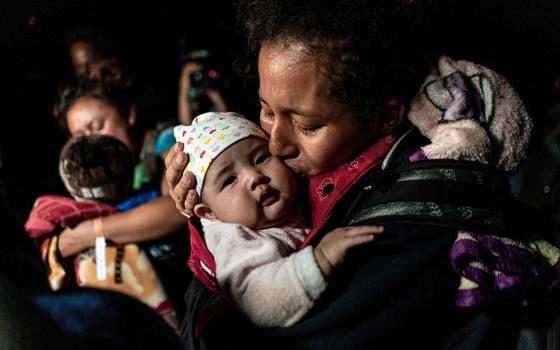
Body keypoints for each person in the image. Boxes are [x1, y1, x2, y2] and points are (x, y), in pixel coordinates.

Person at [164, 1, 560, 349]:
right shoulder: (303, 168)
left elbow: (249, 335)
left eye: (308, 125)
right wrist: (211, 214)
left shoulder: (416, 217)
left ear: (383, 117)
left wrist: (215, 250)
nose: (275, 144)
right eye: (267, 110)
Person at [174, 112, 383, 327]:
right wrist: (321, 259)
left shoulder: (294, 201)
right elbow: (256, 301)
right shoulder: (235, 241)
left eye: (261, 158)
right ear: (209, 213)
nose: (254, 177)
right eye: (230, 180)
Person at [53, 79, 190, 318]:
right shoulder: (95, 174)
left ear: (129, 114)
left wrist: (89, 233)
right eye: (80, 136)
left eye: (97, 126)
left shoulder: (165, 141)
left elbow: (176, 208)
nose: (91, 142)